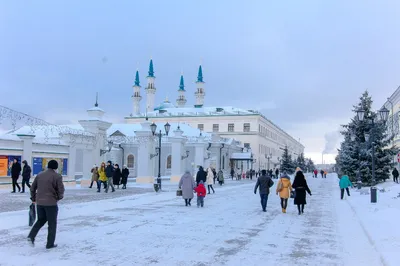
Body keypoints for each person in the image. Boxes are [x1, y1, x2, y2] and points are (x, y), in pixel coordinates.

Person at [28, 160, 65, 249]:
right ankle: (50, 244)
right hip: (51, 203)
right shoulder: (57, 176)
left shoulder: (40, 174)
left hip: (40, 202)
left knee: (41, 220)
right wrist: (58, 198)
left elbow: (32, 188)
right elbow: (61, 190)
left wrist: (34, 199)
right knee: (52, 223)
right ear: (56, 167)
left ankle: (31, 236)